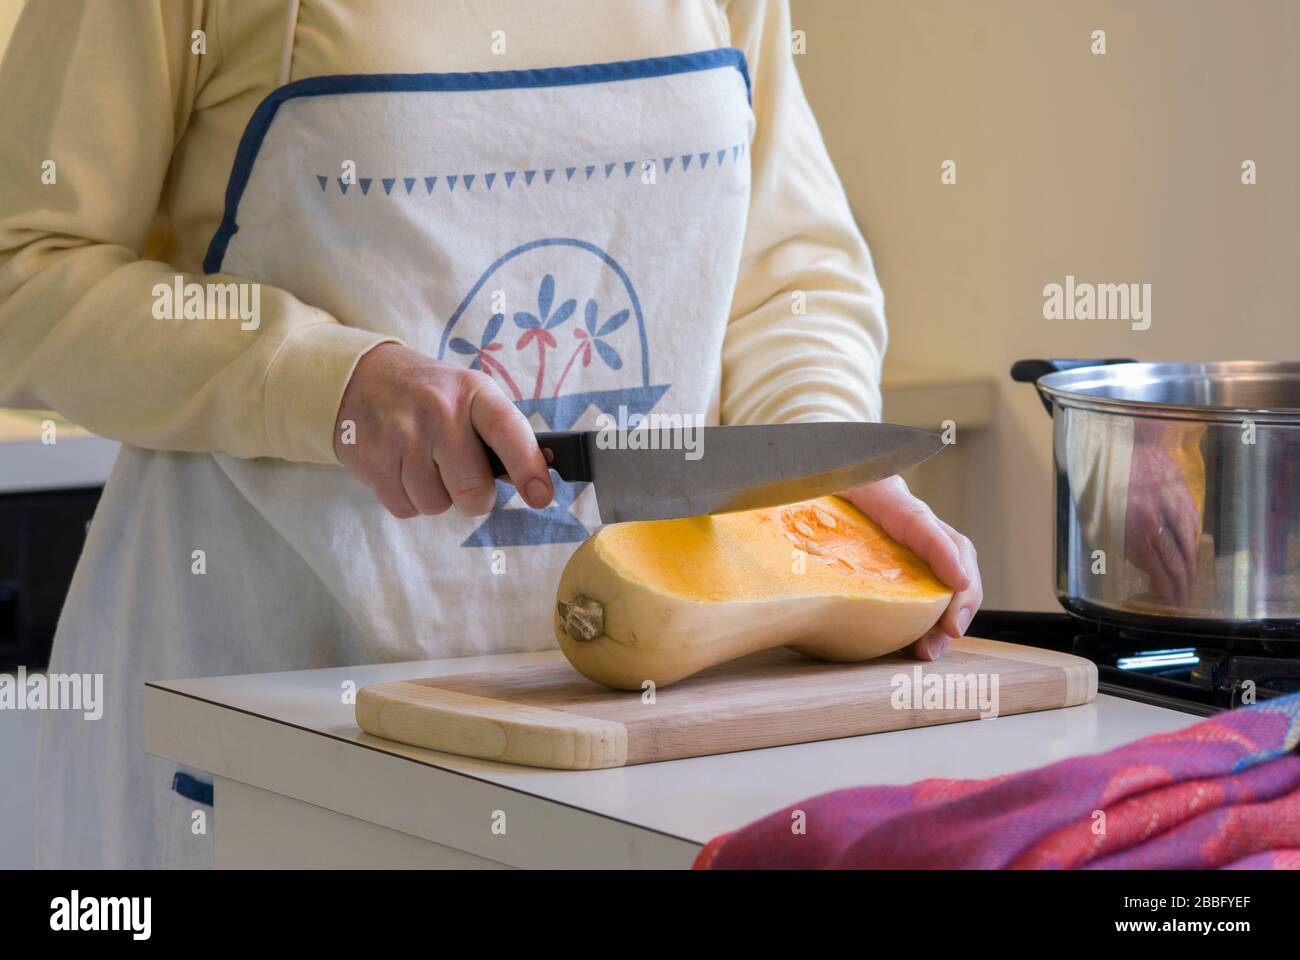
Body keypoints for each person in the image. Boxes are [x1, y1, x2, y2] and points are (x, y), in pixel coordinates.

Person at [0, 0, 982, 868]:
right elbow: (23, 272)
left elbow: (785, 271)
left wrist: (816, 469)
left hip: (628, 750)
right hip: (267, 733)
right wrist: (330, 382)